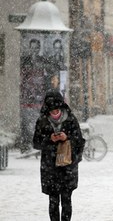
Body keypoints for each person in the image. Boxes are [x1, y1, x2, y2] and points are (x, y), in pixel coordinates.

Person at [33, 90, 85, 221]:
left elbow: (80, 141)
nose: (55, 113)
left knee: (67, 200)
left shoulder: (71, 119)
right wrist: (50, 139)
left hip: (68, 167)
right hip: (50, 168)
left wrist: (67, 138)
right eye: (52, 111)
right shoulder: (42, 121)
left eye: (57, 110)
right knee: (53, 201)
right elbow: (36, 142)